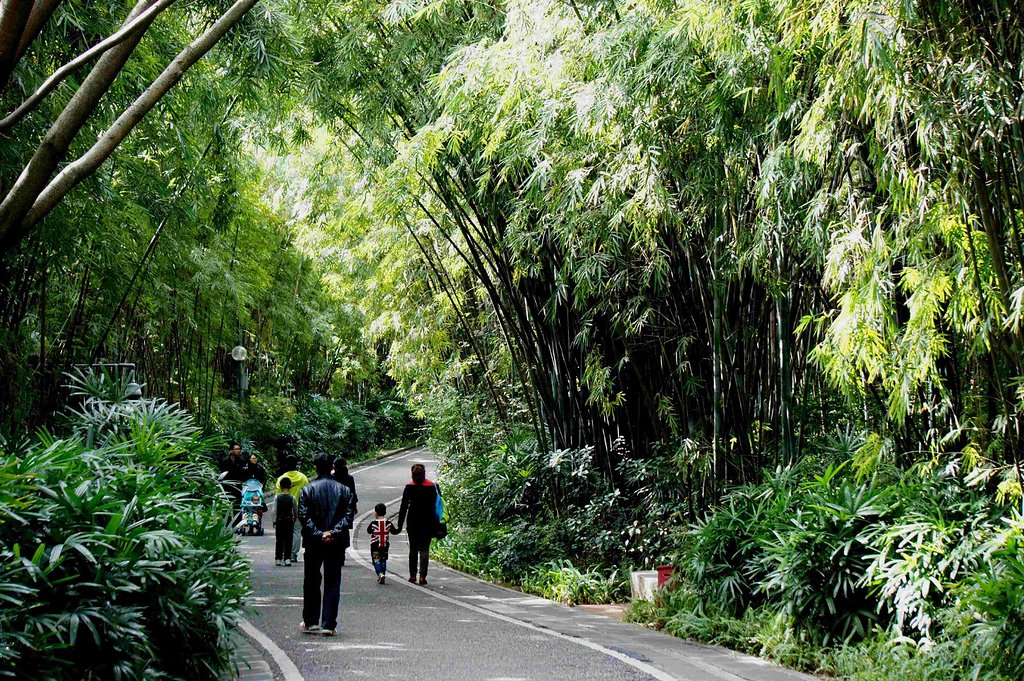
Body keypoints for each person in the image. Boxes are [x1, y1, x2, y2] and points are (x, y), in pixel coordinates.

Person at [298, 452, 353, 637]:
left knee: (311, 581)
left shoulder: (307, 489)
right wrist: (333, 532)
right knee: (332, 581)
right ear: (332, 467)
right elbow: (348, 516)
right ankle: (328, 624)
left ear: (316, 468)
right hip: (335, 543)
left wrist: (318, 534)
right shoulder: (344, 490)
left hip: (313, 542)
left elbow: (303, 516)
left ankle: (311, 622)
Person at [396, 463, 440, 586]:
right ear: (424, 473)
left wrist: (399, 525)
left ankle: (412, 575)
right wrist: (437, 525)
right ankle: (422, 576)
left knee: (413, 549)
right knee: (424, 549)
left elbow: (403, 506)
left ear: (412, 475)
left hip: (413, 522)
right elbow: (436, 507)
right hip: (427, 522)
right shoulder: (431, 487)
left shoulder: (409, 487)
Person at [276, 456, 309, 563]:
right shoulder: (303, 478)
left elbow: (277, 496)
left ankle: (283, 554)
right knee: (296, 532)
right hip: (299, 508)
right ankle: (293, 554)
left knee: (282, 534)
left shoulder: (281, 479)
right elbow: (307, 493)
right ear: (297, 465)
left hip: (283, 512)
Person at [331, 457, 358, 557]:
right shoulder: (349, 478)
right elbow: (353, 493)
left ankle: (335, 550)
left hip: (334, 507)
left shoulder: (332, 477)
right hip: (346, 507)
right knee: (344, 529)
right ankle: (342, 551)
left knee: (333, 527)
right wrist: (354, 506)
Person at [366, 502, 399, 584]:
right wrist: (400, 528)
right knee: (383, 559)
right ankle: (383, 574)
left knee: (376, 560)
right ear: (385, 512)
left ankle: (380, 574)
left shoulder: (373, 523)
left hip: (375, 545)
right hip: (385, 545)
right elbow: (394, 531)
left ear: (376, 513)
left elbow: (368, 531)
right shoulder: (388, 523)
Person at [274, 478, 296, 566]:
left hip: (279, 520)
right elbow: (295, 509)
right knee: (288, 540)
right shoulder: (292, 498)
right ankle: (287, 558)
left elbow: (274, 510)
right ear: (290, 486)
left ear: (280, 486)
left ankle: (278, 558)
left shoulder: (277, 497)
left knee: (279, 540)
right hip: (289, 520)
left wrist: (274, 521)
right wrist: (295, 518)